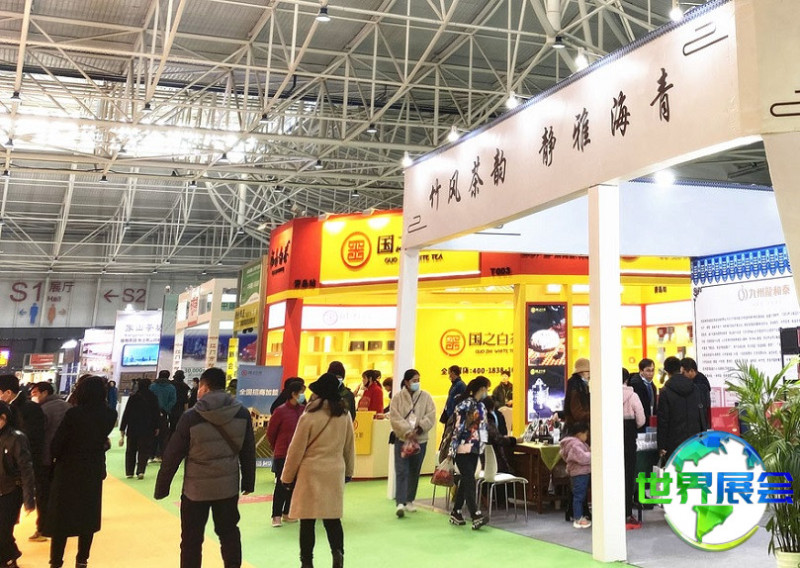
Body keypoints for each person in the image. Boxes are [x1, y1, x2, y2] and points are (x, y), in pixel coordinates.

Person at [155, 367, 256, 568]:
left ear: (205, 387)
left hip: (195, 490)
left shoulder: (191, 416)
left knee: (191, 540)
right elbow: (248, 451)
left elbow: (173, 454)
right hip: (227, 488)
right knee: (229, 534)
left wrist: (162, 487)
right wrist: (248, 482)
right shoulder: (242, 413)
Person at [281, 373, 355, 568]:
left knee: (307, 521)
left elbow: (296, 449)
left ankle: (307, 562)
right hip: (334, 471)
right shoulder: (344, 415)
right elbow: (349, 446)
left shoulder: (309, 416)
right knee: (333, 520)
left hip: (310, 472)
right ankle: (338, 555)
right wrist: (349, 471)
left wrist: (287, 476)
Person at [43, 376, 117, 568]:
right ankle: (82, 560)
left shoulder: (74, 413)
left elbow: (57, 444)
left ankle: (56, 561)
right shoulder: (110, 414)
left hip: (68, 469)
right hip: (93, 469)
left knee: (61, 517)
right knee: (88, 516)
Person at [0, 374, 46, 542]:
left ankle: (41, 529)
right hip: (7, 475)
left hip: (18, 474)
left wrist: (28, 499)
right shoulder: (8, 407)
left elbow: (34, 441)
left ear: (8, 392)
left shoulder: (29, 409)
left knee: (5, 528)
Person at [390, 369, 436, 518]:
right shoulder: (397, 398)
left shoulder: (426, 397)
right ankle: (400, 502)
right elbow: (394, 417)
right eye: (414, 380)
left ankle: (409, 500)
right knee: (401, 470)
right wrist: (406, 431)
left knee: (414, 470)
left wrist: (419, 429)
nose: (417, 383)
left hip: (420, 440)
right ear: (406, 382)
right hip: (402, 440)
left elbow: (431, 415)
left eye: (418, 380)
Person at [449, 375, 491, 530]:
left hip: (475, 448)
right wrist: (452, 449)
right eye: (486, 389)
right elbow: (458, 428)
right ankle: (475, 515)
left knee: (466, 480)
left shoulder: (481, 406)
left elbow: (484, 427)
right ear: (482, 389)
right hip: (462, 448)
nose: (487, 392)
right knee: (469, 480)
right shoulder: (464, 405)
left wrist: (482, 446)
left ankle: (456, 511)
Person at [29, 381, 70, 543]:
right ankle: (61, 526)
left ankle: (43, 528)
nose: (33, 395)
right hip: (64, 459)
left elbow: (39, 434)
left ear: (44, 393)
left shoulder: (43, 410)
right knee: (61, 493)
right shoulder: (68, 407)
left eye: (35, 392)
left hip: (45, 458)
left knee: (43, 494)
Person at [0, 400, 35, 568]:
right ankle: (10, 557)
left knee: (3, 531)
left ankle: (9, 560)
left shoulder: (17, 438)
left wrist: (29, 500)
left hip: (11, 491)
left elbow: (26, 470)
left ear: (3, 418)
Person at [266, 379, 306, 527]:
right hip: (282, 453)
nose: (303, 395)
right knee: (282, 484)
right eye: (301, 392)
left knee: (295, 484)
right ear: (293, 394)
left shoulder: (304, 411)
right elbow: (271, 433)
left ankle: (287, 512)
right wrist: (276, 447)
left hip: (299, 453)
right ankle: (276, 515)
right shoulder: (280, 411)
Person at [657, 356, 707, 460]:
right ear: (680, 369)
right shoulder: (695, 388)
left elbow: (663, 420)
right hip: (694, 439)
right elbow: (701, 414)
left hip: (674, 441)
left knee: (676, 468)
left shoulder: (665, 391)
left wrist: (662, 445)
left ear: (667, 371)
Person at [119, 378, 160, 479]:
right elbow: (156, 413)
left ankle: (129, 472)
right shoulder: (153, 397)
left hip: (133, 427)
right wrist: (157, 426)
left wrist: (123, 427)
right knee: (144, 450)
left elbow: (127, 413)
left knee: (131, 450)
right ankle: (141, 471)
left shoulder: (133, 397)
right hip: (147, 428)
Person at [622, 369, 646, 530]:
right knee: (628, 474)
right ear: (627, 379)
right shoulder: (633, 396)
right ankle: (627, 511)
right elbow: (641, 419)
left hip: (610, 439)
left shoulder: (606, 395)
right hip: (629, 436)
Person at [560, 422, 591, 529]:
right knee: (579, 496)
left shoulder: (573, 444)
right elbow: (582, 458)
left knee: (578, 495)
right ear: (579, 434)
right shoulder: (575, 445)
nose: (587, 437)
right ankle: (578, 517)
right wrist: (593, 454)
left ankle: (578, 515)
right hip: (580, 473)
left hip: (577, 473)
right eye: (586, 434)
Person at [149, 370, 176, 461]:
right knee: (163, 435)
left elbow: (149, 398)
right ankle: (161, 455)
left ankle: (151, 455)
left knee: (152, 434)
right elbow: (173, 400)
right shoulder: (171, 387)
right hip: (164, 413)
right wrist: (166, 409)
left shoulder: (152, 386)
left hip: (152, 413)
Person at [680, 357, 712, 426]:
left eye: (683, 373)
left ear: (691, 371)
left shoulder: (701, 385)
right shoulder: (694, 382)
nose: (682, 376)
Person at [627, 358, 656, 433]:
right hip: (638, 424)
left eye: (652, 370)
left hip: (650, 422)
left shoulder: (652, 385)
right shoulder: (635, 384)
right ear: (641, 371)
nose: (651, 373)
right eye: (648, 370)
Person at [564, 358, 590, 427]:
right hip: (578, 428)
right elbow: (577, 412)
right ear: (581, 372)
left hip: (576, 426)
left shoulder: (580, 384)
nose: (589, 374)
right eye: (587, 371)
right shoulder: (577, 385)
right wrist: (593, 415)